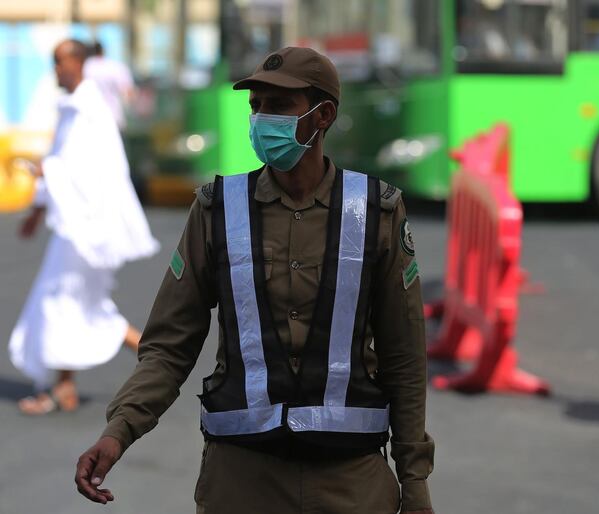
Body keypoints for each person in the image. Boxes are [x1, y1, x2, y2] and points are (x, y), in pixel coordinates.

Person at [75, 46, 435, 514]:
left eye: (279, 105)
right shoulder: (216, 209)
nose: (262, 118)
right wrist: (118, 431)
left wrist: (415, 483)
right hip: (240, 481)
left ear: (322, 115)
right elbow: (168, 346)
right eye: (255, 106)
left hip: (352, 483)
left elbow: (404, 357)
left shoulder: (376, 210)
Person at [9, 40, 159, 415]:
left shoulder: (90, 108)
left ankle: (59, 388)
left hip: (89, 229)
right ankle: (69, 385)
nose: (55, 69)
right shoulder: (73, 106)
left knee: (60, 302)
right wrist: (36, 210)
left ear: (78, 63)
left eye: (59, 61)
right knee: (79, 306)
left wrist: (49, 171)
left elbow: (96, 170)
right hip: (76, 226)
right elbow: (64, 161)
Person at [83, 41, 135, 129]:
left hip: (88, 118)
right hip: (113, 117)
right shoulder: (115, 67)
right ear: (102, 51)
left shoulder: (84, 68)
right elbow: (128, 93)